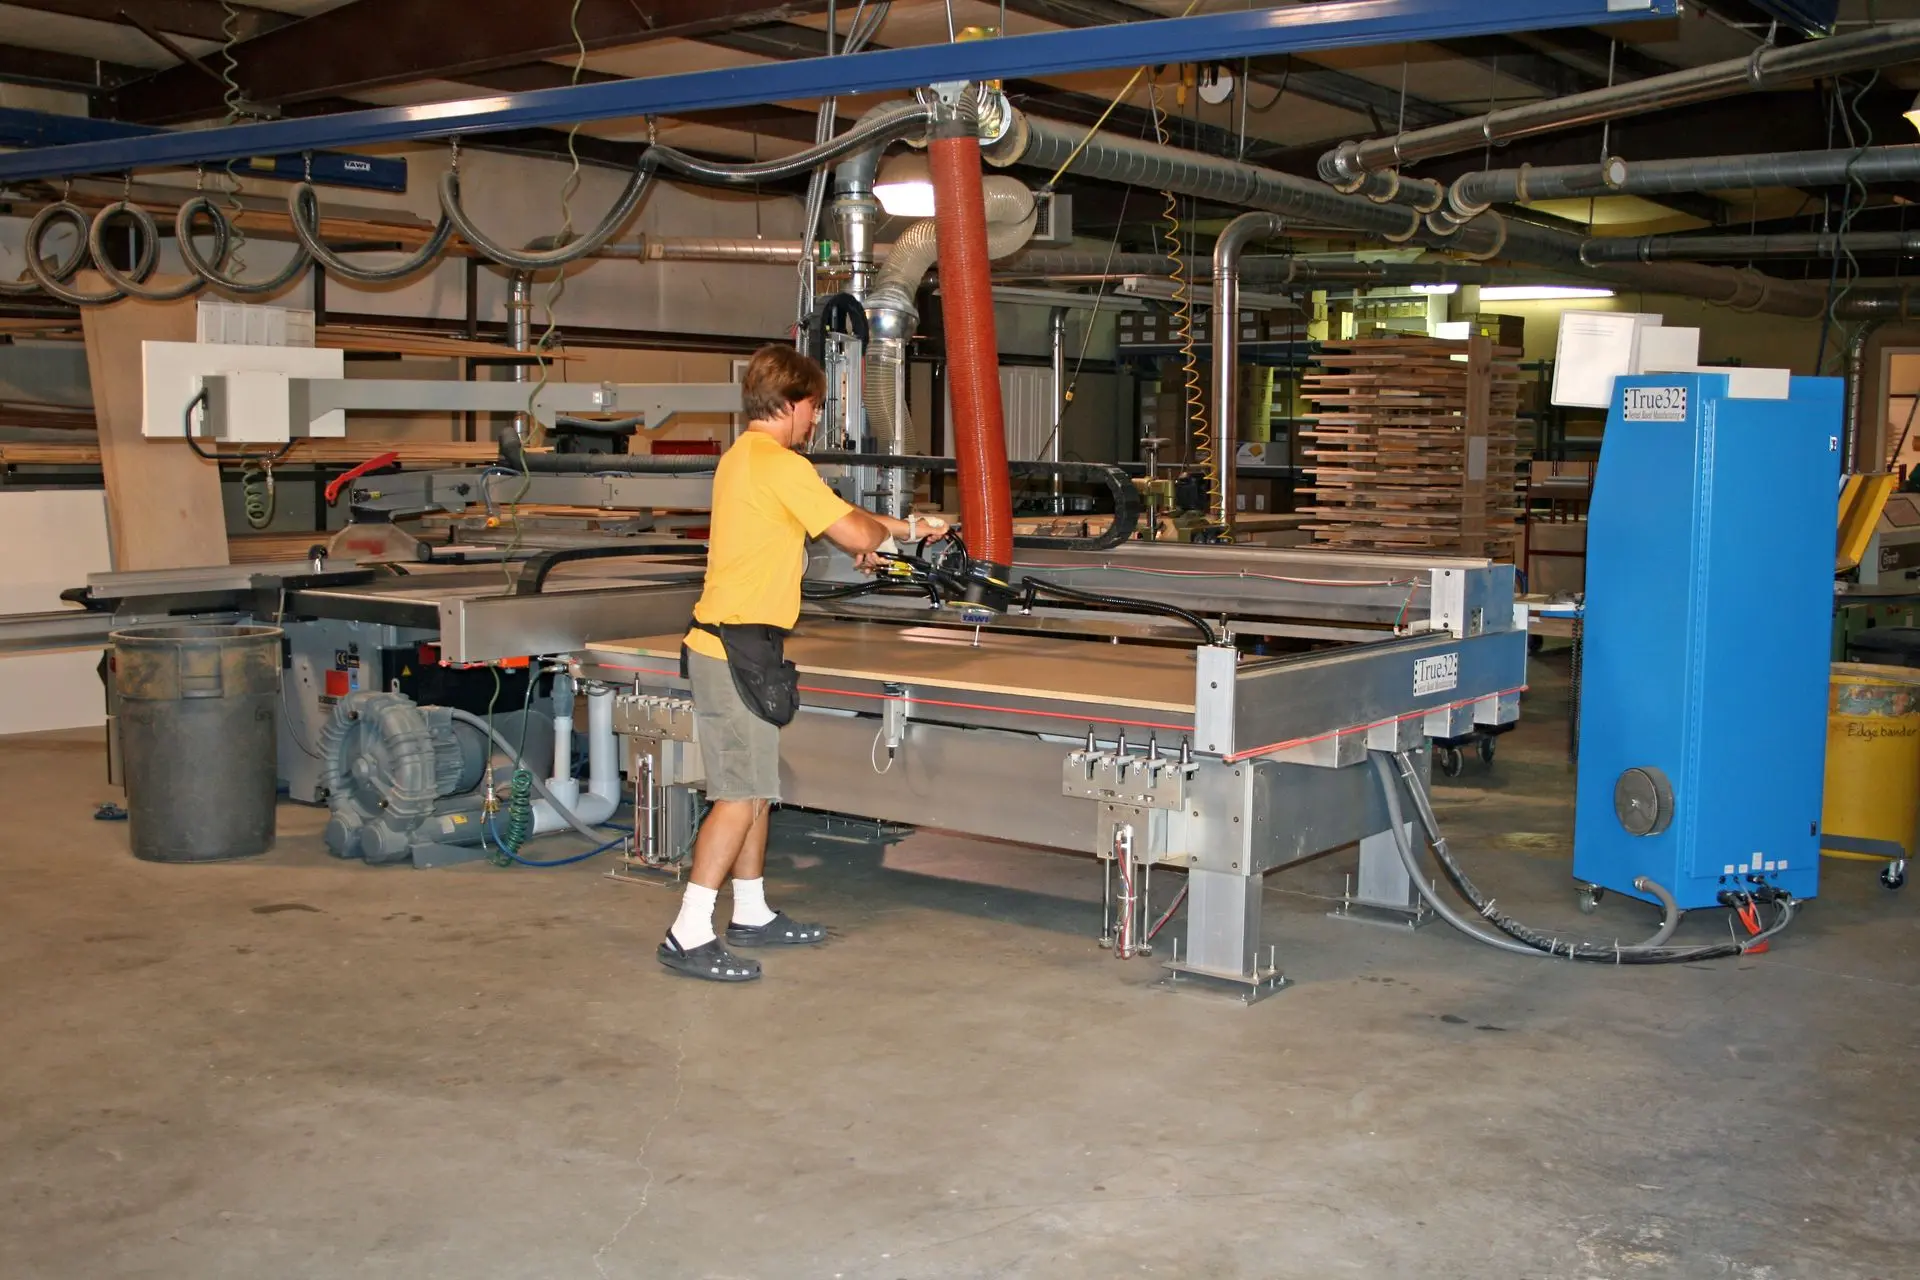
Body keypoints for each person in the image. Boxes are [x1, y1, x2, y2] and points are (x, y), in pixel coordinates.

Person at [659, 343, 948, 983]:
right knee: (738, 796)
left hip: (744, 645)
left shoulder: (745, 458)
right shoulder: (780, 463)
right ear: (791, 403)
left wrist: (903, 528)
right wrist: (886, 535)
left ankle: (751, 912)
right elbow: (854, 532)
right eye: (814, 407)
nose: (816, 419)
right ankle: (688, 929)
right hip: (732, 648)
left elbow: (841, 521)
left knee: (758, 792)